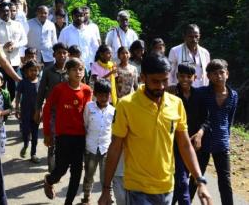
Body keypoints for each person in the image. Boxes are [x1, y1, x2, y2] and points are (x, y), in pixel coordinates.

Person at [98, 53, 211, 205]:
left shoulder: (176, 104)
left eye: (165, 80)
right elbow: (115, 147)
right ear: (143, 78)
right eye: (155, 81)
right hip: (137, 188)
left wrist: (200, 181)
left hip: (166, 187)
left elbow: (184, 145)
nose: (161, 86)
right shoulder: (126, 105)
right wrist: (106, 189)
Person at [42, 58, 92, 205]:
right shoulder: (59, 89)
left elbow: (90, 115)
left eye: (81, 69)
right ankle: (49, 180)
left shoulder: (87, 90)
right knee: (61, 170)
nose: (78, 72)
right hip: (63, 136)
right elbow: (47, 109)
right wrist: (47, 133)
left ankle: (68, 202)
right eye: (75, 69)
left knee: (76, 173)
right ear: (68, 72)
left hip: (80, 137)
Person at [189, 59, 238, 205]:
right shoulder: (201, 93)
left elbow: (230, 120)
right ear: (208, 76)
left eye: (222, 72)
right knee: (196, 178)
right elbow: (194, 115)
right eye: (214, 73)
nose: (219, 76)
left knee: (225, 180)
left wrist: (227, 139)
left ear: (227, 74)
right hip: (203, 141)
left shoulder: (233, 95)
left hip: (222, 141)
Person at [167, 64, 209, 205]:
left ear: (195, 78)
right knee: (181, 178)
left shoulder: (199, 96)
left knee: (189, 179)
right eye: (182, 76)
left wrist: (199, 133)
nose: (185, 79)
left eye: (189, 77)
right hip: (177, 143)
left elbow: (207, 119)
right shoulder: (170, 94)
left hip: (196, 144)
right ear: (177, 76)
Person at [35, 43, 69, 172]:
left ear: (67, 54)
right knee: (52, 140)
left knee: (65, 141)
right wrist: (38, 109)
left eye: (64, 53)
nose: (62, 55)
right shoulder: (48, 71)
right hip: (53, 111)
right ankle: (52, 171)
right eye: (59, 53)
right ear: (54, 55)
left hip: (68, 111)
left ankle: (61, 166)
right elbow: (42, 90)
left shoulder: (72, 69)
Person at [81, 79, 115, 205]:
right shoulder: (89, 107)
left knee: (106, 177)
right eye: (100, 95)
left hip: (106, 148)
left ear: (110, 95)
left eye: (106, 95)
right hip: (91, 148)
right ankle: (86, 196)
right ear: (95, 94)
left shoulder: (112, 111)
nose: (104, 98)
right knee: (89, 174)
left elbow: (113, 130)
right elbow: (85, 124)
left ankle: (107, 197)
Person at [0, 2, 27, 100]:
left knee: (13, 88)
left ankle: (9, 107)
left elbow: (24, 40)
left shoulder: (18, 25)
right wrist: (3, 47)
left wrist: (15, 45)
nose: (6, 13)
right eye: (3, 11)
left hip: (14, 62)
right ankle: (2, 110)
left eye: (7, 11)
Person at [15, 60, 41, 163]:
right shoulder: (23, 82)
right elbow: (18, 96)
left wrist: (41, 110)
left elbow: (43, 97)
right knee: (26, 132)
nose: (34, 72)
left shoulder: (40, 82)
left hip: (36, 112)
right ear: (26, 71)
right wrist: (17, 108)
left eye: (36, 70)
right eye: (31, 70)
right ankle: (26, 145)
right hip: (25, 112)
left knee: (35, 135)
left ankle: (33, 154)